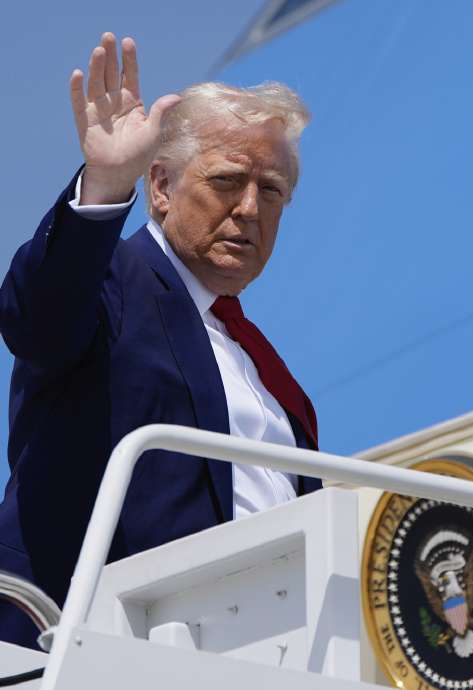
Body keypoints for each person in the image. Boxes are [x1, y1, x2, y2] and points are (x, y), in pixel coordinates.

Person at [0, 33, 323, 648]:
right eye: (228, 181)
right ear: (161, 187)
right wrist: (102, 186)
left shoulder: (264, 368)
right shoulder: (111, 283)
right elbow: (35, 316)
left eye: (272, 190)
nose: (251, 208)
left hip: (265, 652)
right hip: (88, 644)